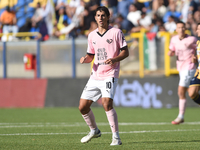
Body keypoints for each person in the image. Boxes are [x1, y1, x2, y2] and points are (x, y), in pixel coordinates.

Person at [78, 6, 129, 145]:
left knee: (107, 103)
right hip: (95, 74)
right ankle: (94, 130)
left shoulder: (116, 32)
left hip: (110, 73)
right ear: (95, 17)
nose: (100, 18)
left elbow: (125, 52)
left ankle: (116, 137)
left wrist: (114, 59)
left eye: (103, 15)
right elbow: (91, 55)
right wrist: (85, 59)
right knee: (82, 107)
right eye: (98, 15)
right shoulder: (92, 35)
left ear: (108, 17)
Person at [168, 21, 197, 125]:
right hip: (180, 68)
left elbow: (198, 49)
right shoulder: (174, 39)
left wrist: (196, 57)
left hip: (189, 67)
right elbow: (172, 49)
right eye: (179, 27)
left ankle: (180, 116)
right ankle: (181, 116)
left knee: (181, 91)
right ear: (176, 29)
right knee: (191, 93)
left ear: (186, 29)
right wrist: (170, 52)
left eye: (183, 27)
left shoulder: (191, 39)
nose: (181, 29)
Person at [188, 23, 200, 105]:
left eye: (199, 29)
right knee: (192, 93)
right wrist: (194, 58)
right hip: (198, 72)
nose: (197, 30)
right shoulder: (198, 42)